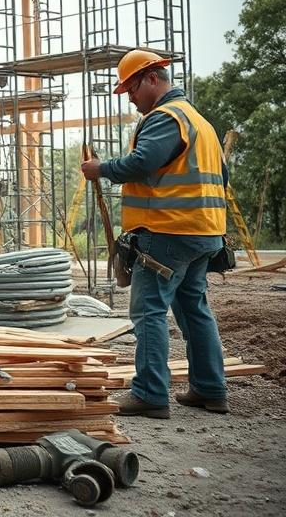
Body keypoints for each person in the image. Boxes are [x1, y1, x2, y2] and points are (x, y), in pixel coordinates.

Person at [82, 49, 229, 418]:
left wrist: (101, 168)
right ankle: (210, 389)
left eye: (130, 89)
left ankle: (150, 393)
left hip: (167, 230)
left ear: (151, 78)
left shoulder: (165, 117)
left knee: (148, 310)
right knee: (194, 309)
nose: (129, 98)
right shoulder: (200, 122)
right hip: (203, 232)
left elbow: (143, 162)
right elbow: (222, 178)